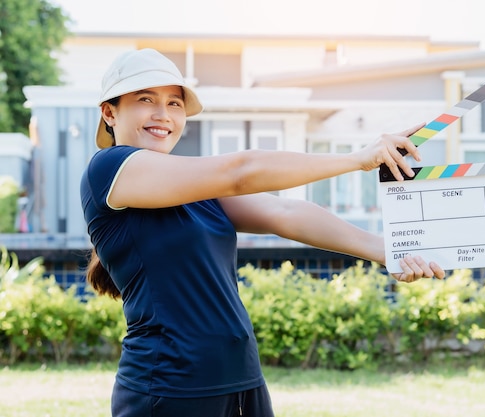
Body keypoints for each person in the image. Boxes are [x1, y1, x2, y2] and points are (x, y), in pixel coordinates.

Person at [80, 48, 445, 417]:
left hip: (242, 381)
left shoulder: (192, 186)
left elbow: (285, 212)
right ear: (110, 112)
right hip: (169, 389)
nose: (163, 114)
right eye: (146, 99)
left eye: (174, 103)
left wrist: (388, 251)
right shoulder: (108, 169)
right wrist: (357, 159)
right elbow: (241, 171)